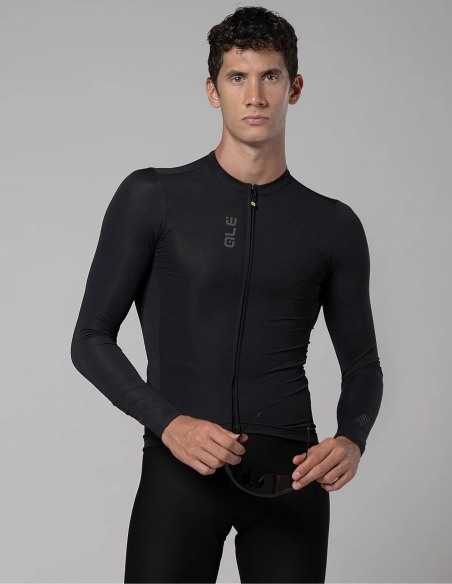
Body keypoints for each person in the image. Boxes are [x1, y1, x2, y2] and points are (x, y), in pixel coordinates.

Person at [70, 6, 383, 583]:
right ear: (213, 91)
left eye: (270, 76)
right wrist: (169, 423)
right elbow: (90, 339)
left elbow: (362, 363)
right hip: (182, 467)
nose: (255, 95)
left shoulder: (333, 225)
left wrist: (352, 438)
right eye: (237, 77)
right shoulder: (154, 198)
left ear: (295, 88)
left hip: (292, 477)